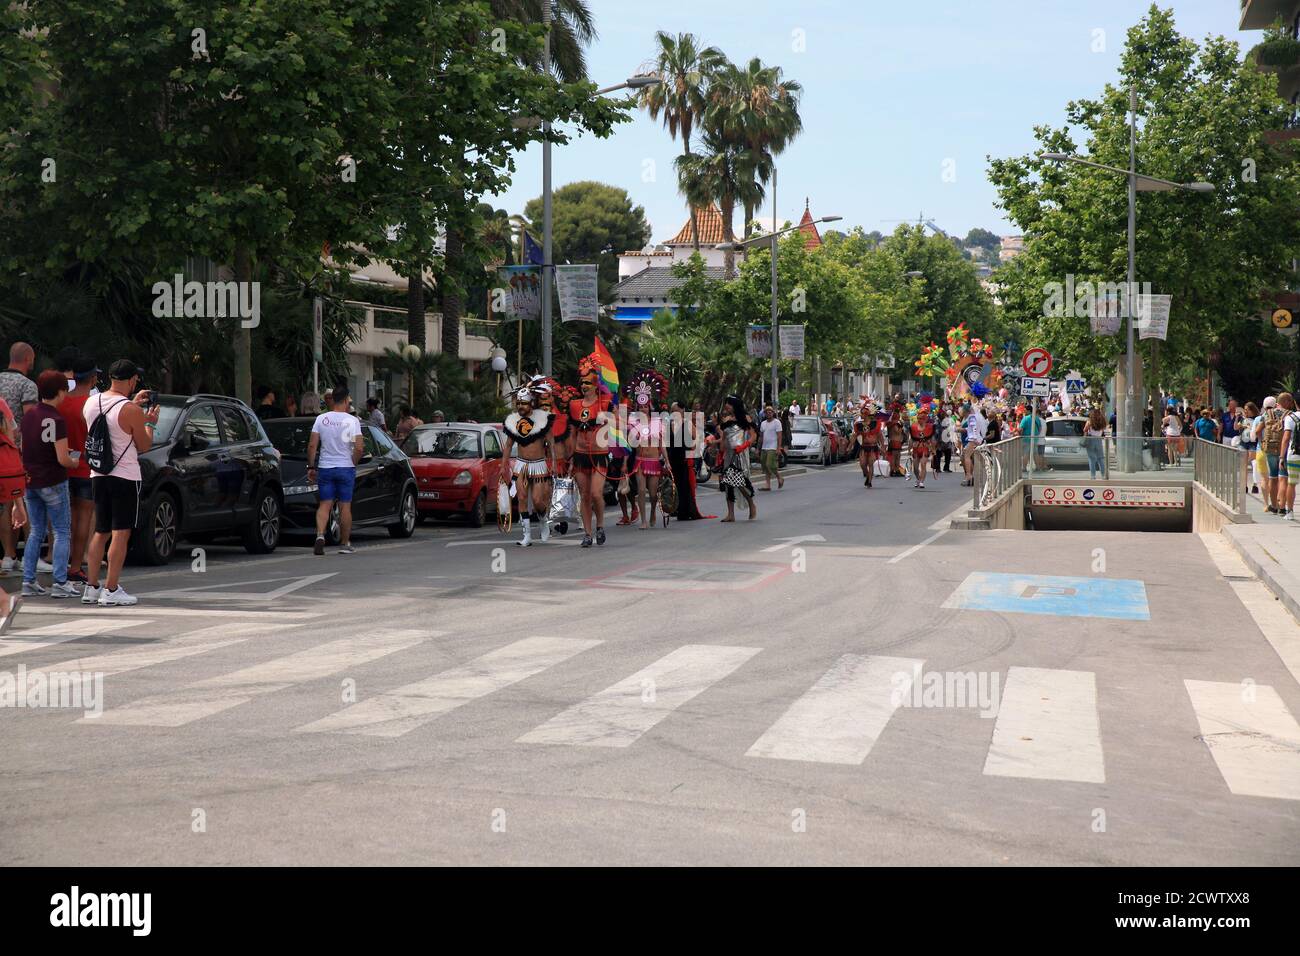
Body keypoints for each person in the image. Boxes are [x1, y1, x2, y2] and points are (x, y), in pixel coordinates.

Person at [81, 360, 159, 607]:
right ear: (133, 380)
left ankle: (91, 587)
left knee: (100, 531)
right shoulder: (131, 410)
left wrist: (132, 404)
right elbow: (144, 445)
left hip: (98, 475)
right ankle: (111, 589)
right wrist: (150, 423)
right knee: (120, 532)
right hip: (125, 476)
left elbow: (110, 423)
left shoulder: (92, 402)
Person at [19, 371, 79, 598]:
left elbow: (24, 447)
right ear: (61, 391)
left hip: (30, 480)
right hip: (53, 480)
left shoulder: (29, 416)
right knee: (62, 530)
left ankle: (29, 579)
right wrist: (74, 462)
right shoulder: (56, 420)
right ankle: (61, 582)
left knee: (36, 530)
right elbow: (62, 458)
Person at [306, 385, 364, 554]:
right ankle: (345, 544)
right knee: (345, 506)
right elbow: (359, 447)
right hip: (345, 467)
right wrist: (353, 461)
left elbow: (312, 445)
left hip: (325, 467)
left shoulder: (321, 419)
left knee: (325, 504)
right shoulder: (352, 421)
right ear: (346, 400)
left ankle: (320, 535)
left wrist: (311, 466)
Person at [499, 386, 555, 546]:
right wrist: (503, 466)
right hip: (521, 464)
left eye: (523, 403)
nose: (520, 407)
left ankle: (543, 520)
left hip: (539, 464)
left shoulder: (542, 420)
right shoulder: (513, 421)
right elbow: (508, 446)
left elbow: (551, 443)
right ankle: (527, 536)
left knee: (538, 501)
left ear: (531, 403)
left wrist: (554, 462)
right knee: (522, 498)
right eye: (518, 403)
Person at [567, 354, 612, 548]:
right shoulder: (574, 405)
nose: (584, 386)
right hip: (580, 456)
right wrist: (569, 458)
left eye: (588, 382)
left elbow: (615, 427)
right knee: (584, 495)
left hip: (600, 455)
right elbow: (572, 433)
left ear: (596, 385)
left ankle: (600, 525)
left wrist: (608, 419)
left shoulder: (605, 403)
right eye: (582, 382)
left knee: (595, 494)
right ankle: (587, 533)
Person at [60, 355, 98, 587]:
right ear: (92, 379)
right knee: (83, 517)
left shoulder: (61, 402)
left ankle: (60, 566)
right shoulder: (92, 404)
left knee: (63, 521)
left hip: (63, 466)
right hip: (85, 466)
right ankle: (76, 566)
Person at [0, 342, 37, 577]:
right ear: (28, 359)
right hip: (16, 455)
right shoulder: (28, 385)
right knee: (19, 501)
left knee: (3, 505)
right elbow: (31, 422)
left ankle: (7, 554)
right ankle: (29, 557)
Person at [626, 369, 669, 528]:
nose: (643, 409)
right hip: (639, 462)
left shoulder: (657, 423)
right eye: (641, 406)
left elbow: (661, 444)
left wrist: (667, 460)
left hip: (654, 461)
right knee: (641, 492)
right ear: (638, 407)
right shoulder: (632, 423)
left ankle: (652, 513)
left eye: (646, 406)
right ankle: (644, 520)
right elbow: (630, 443)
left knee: (652, 494)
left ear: (649, 407)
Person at [719, 395, 757, 522]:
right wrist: (719, 451)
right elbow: (724, 438)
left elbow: (753, 436)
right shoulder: (726, 420)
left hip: (740, 454)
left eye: (728, 404)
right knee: (728, 484)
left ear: (734, 405)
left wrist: (744, 445)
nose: (726, 406)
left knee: (739, 482)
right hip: (729, 455)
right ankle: (730, 514)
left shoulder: (745, 418)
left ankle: (751, 503)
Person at [667, 400, 707, 521]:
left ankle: (685, 511)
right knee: (675, 485)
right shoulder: (669, 424)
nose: (673, 413)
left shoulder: (687, 424)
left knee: (685, 485)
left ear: (682, 410)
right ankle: (675, 509)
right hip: (673, 458)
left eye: (675, 410)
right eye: (672, 411)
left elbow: (697, 438)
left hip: (684, 459)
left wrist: (691, 450)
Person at [1259, 396, 1286, 514]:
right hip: (1283, 449)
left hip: (1270, 448)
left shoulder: (1266, 415)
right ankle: (1282, 506)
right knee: (1283, 478)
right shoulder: (1288, 414)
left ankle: (1274, 505)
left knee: (1273, 477)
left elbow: (1257, 431)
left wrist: (1262, 443)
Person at [855, 405, 885, 487]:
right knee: (862, 464)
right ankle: (868, 476)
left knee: (871, 464)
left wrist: (882, 446)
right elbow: (855, 435)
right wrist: (850, 445)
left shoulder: (875, 424)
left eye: (864, 413)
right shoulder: (859, 425)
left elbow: (880, 436)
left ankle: (869, 481)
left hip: (873, 447)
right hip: (864, 447)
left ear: (868, 414)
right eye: (861, 413)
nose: (861, 415)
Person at [758, 404, 785, 491]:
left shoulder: (777, 422)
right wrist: (758, 448)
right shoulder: (763, 423)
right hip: (764, 447)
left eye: (770, 412)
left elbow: (779, 436)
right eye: (767, 412)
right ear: (765, 414)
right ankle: (768, 485)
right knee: (764, 465)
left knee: (770, 464)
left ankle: (779, 477)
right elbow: (761, 437)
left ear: (773, 413)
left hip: (773, 447)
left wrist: (778, 448)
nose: (769, 413)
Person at [961, 403, 988, 486]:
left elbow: (974, 428)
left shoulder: (972, 417)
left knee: (966, 456)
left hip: (973, 439)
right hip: (976, 439)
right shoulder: (975, 416)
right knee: (975, 458)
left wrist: (974, 439)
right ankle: (974, 477)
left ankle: (969, 475)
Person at [910, 405, 936, 489]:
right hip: (915, 449)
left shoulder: (929, 427)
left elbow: (932, 440)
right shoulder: (913, 427)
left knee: (923, 464)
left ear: (925, 419)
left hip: (925, 448)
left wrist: (933, 449)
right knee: (915, 468)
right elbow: (911, 439)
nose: (919, 420)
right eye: (918, 418)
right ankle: (918, 479)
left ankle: (921, 481)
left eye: (921, 418)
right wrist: (909, 449)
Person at [1084, 407, 1108, 480]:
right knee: (1100, 458)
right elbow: (1103, 429)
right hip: (1099, 440)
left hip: (1091, 439)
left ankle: (1093, 476)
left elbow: (1085, 429)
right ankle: (1103, 475)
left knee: (1092, 459)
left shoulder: (1090, 421)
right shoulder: (1103, 422)